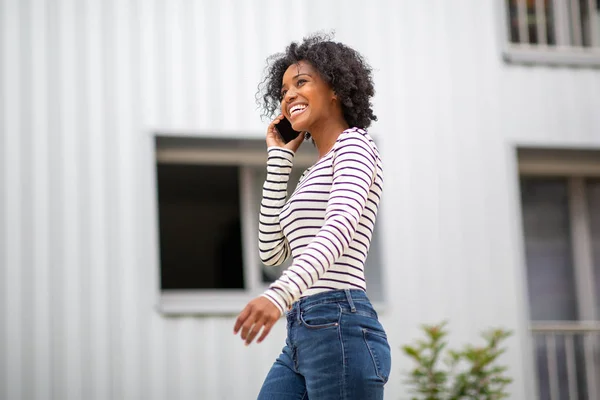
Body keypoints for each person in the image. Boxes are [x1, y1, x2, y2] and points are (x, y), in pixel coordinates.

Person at [233, 33, 390, 400]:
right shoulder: (310, 173)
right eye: (284, 89)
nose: (288, 96)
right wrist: (279, 159)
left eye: (301, 82)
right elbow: (272, 253)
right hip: (301, 331)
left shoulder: (355, 145)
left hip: (341, 323)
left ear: (334, 89)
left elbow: (339, 228)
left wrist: (278, 295)